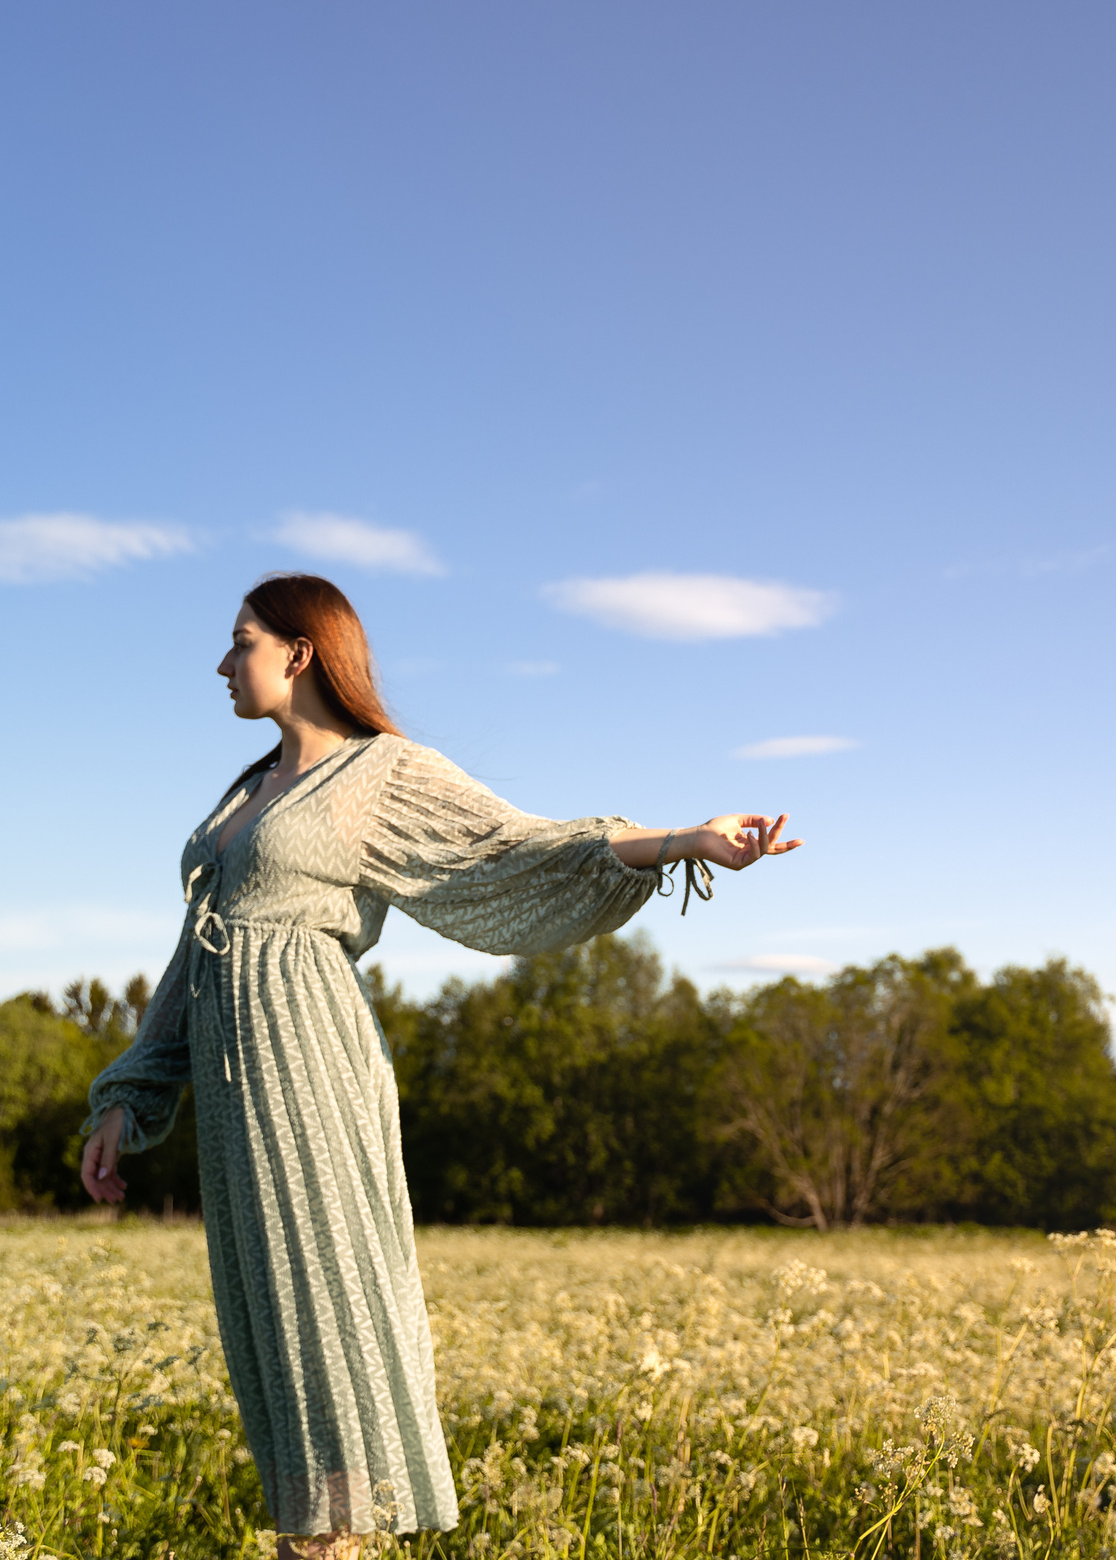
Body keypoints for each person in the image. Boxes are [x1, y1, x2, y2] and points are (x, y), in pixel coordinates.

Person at [78, 572, 801, 1556]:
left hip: (308, 1069)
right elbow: (198, 945)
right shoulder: (247, 792)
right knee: (273, 1336)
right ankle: (314, 1538)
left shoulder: (382, 772)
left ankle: (330, 1542)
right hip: (231, 1083)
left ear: (298, 652)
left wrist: (684, 841)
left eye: (239, 640)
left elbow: (518, 847)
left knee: (326, 1317)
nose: (220, 662)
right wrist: (129, 1093)